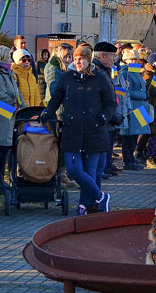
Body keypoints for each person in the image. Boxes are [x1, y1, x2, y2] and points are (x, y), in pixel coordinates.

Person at [42, 44, 116, 216]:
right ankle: (100, 197)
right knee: (74, 169)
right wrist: (48, 112)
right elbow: (56, 98)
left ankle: (83, 206)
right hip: (72, 130)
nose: (77, 62)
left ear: (88, 60)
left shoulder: (100, 78)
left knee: (90, 171)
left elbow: (110, 103)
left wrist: (103, 118)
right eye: (75, 59)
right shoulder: (67, 78)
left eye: (81, 59)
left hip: (94, 131)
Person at [0, 46, 25, 194]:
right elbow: (0, 95)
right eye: (8, 56)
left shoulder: (9, 74)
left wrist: (25, 108)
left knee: (4, 150)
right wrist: (14, 110)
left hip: (7, 115)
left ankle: (1, 181)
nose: (10, 59)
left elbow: (17, 94)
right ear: (1, 57)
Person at [92, 42, 124, 179]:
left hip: (107, 121)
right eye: (112, 56)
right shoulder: (97, 72)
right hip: (100, 122)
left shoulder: (104, 71)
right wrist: (108, 116)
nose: (114, 59)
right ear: (103, 56)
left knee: (102, 160)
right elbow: (99, 100)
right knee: (96, 166)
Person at [119, 48, 152, 167]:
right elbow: (128, 91)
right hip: (132, 107)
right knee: (129, 135)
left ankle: (132, 158)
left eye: (136, 59)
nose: (135, 61)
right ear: (126, 60)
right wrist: (144, 95)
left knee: (140, 133)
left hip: (140, 107)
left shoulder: (136, 72)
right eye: (132, 59)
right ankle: (128, 160)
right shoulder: (125, 73)